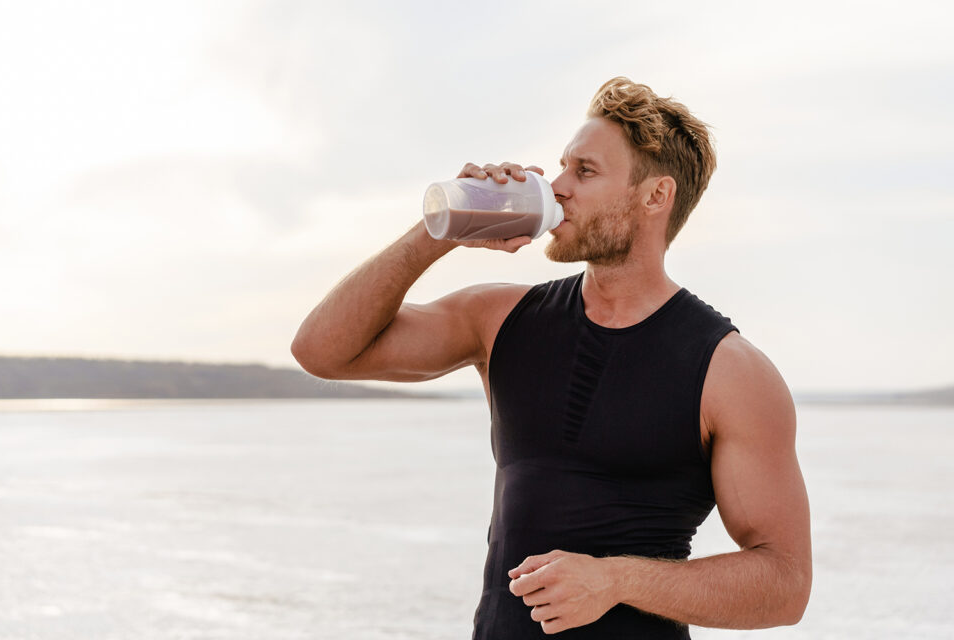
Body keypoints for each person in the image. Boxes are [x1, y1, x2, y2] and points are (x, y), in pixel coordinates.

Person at [291, 77, 811, 638]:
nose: (557, 186)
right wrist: (441, 227)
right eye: (563, 166)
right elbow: (322, 351)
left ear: (655, 196)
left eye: (584, 172)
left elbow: (784, 584)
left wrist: (616, 580)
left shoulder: (729, 372)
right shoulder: (500, 319)